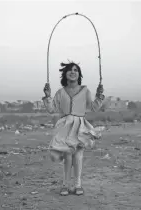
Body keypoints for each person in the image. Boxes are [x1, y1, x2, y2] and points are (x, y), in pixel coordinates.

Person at [42, 61, 105, 196]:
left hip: (80, 127)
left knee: (78, 156)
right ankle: (65, 184)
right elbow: (51, 109)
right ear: (65, 73)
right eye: (70, 70)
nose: (73, 72)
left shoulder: (85, 91)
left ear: (79, 74)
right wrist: (47, 96)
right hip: (65, 126)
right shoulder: (60, 92)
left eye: (76, 70)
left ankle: (78, 185)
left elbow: (94, 107)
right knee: (67, 155)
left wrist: (99, 96)